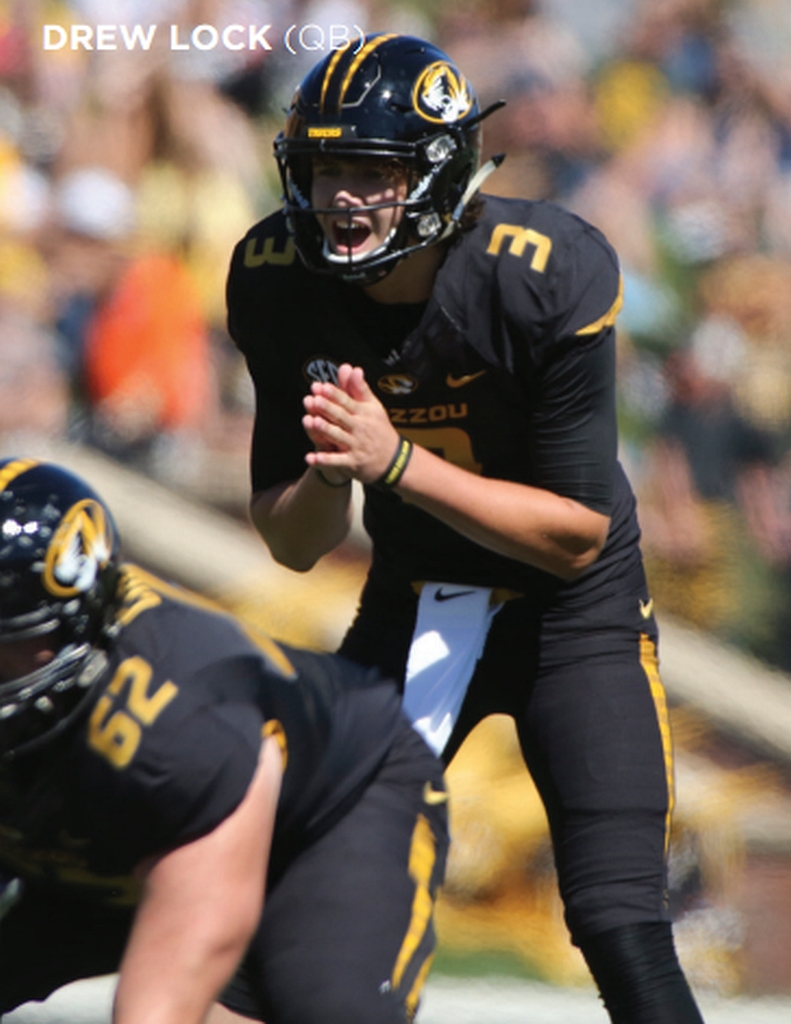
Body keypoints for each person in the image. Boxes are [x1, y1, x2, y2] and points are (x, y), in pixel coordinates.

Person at [226, 32, 706, 1024]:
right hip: (418, 603)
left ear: (437, 175)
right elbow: (292, 540)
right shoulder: (277, 275)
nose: (341, 197)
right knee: (289, 881)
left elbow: (575, 533)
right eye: (324, 170)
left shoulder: (540, 269)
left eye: (372, 171)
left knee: (617, 920)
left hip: (570, 615)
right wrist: (335, 466)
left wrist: (395, 460)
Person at [0, 457, 448, 1024]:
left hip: (315, 816)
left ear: (74, 623)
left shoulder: (174, 715)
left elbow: (161, 1005)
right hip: (100, 822)